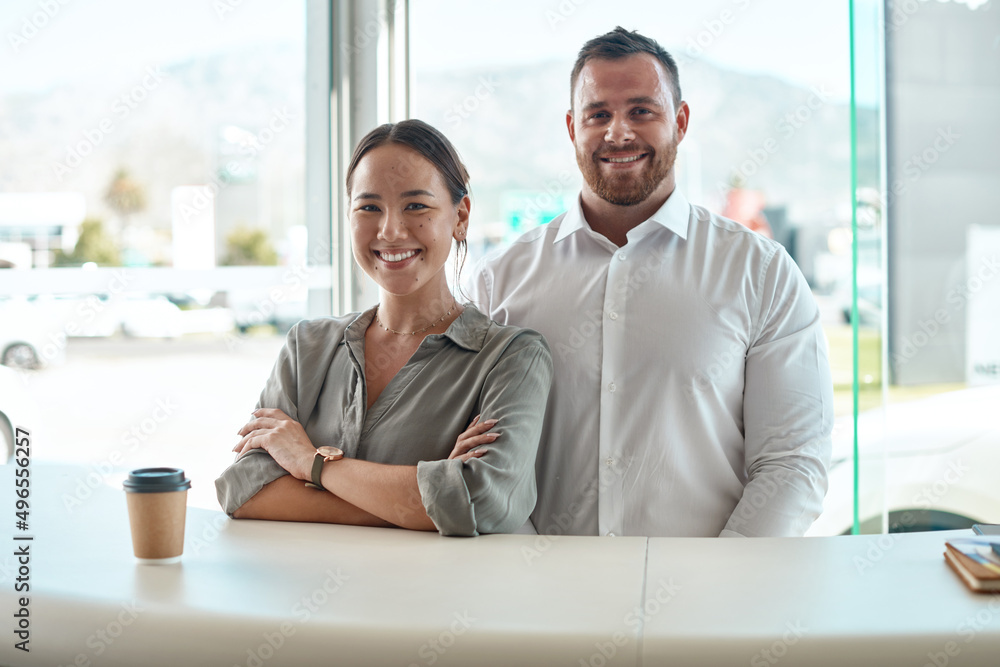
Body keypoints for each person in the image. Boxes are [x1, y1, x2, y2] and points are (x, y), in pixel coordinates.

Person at [470, 27, 833, 538]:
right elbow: (480, 462)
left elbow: (793, 464)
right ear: (572, 127)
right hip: (545, 603)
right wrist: (534, 575)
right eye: (598, 114)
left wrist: (718, 588)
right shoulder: (498, 281)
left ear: (680, 122)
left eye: (642, 110)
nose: (619, 133)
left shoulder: (762, 273)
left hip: (705, 604)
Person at [216, 119, 553, 537]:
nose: (390, 230)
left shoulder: (512, 357)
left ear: (460, 217)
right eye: (369, 207)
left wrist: (310, 463)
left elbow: (483, 501)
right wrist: (427, 498)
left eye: (416, 206)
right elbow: (243, 490)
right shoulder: (307, 347)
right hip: (309, 599)